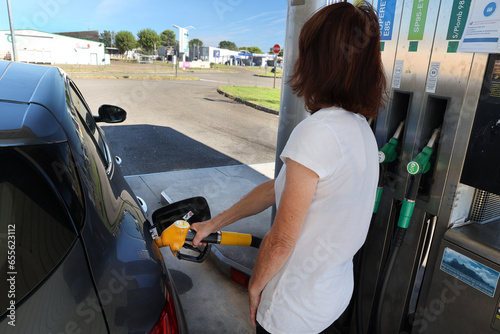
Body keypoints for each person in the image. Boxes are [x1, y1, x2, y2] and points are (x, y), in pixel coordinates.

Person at [192, 2, 386, 333]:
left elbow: (281, 239)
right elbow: (276, 188)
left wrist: (255, 287)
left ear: (318, 61)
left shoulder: (318, 131)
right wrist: (213, 223)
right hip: (332, 300)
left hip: (292, 311)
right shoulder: (361, 130)